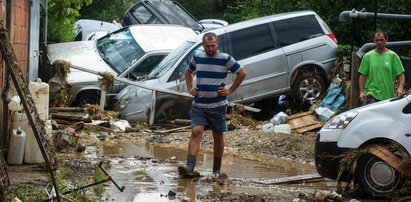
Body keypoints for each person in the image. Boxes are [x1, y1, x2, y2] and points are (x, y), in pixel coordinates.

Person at [178, 32, 246, 177]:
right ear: (203, 45)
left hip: (218, 105)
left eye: (212, 46)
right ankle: (189, 167)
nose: (210, 48)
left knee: (218, 135)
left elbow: (242, 73)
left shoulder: (226, 59)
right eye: (207, 46)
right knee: (196, 131)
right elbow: (188, 71)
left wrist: (230, 90)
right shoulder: (198, 57)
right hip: (199, 104)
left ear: (217, 44)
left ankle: (216, 171)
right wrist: (190, 88)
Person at [359, 29, 405, 105]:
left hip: (387, 96)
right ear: (374, 40)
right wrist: (361, 92)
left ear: (386, 40)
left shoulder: (393, 56)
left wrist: (400, 87)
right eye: (377, 40)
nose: (379, 42)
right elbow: (362, 75)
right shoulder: (367, 57)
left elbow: (401, 74)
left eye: (381, 40)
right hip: (371, 93)